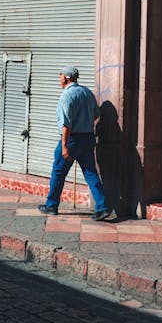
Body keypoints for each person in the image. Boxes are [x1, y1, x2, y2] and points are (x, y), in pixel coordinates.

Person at [38, 66, 111, 221]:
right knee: (91, 174)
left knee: (58, 172)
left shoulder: (67, 95)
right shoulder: (87, 93)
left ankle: (51, 205)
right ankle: (102, 207)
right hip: (88, 139)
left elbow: (66, 124)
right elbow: (96, 115)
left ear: (66, 78)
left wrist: (64, 145)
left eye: (60, 76)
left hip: (71, 140)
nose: (60, 79)